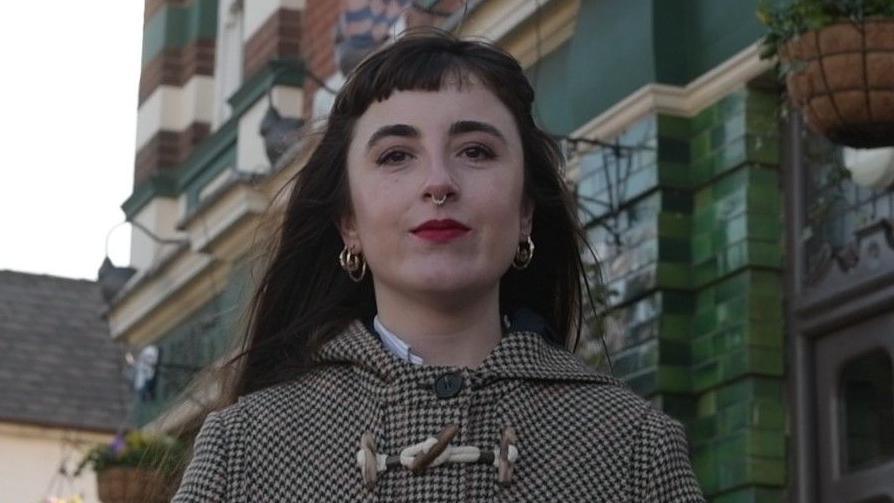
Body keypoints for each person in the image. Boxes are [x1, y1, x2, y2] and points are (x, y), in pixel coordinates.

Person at [172, 29, 705, 502]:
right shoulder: (244, 450)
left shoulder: (633, 446)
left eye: (475, 151)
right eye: (396, 155)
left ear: (524, 212)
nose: (439, 182)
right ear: (348, 222)